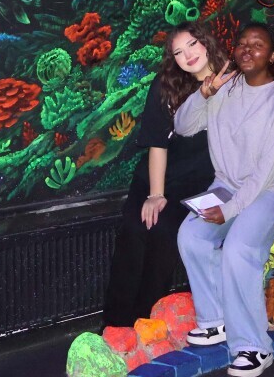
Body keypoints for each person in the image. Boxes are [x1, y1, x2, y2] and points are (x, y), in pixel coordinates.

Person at [175, 23, 274, 377]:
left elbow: (265, 170)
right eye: (242, 43)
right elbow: (183, 127)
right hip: (226, 184)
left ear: (271, 56)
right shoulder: (224, 87)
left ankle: (254, 347)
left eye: (257, 45)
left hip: (272, 188)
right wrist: (204, 93)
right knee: (191, 236)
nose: (247, 49)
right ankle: (216, 320)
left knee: (239, 247)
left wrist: (230, 210)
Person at [102, 23, 227, 327]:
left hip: (198, 184)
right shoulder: (166, 85)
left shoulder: (233, 82)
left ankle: (146, 322)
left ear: (207, 42)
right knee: (135, 230)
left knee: (165, 234)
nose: (189, 55)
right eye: (179, 52)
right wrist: (155, 195)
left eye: (193, 44)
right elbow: (157, 143)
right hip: (155, 178)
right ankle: (115, 325)